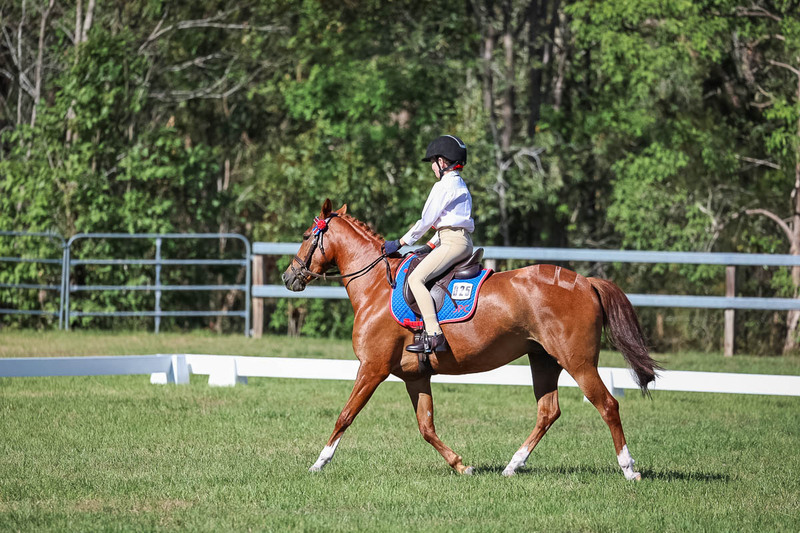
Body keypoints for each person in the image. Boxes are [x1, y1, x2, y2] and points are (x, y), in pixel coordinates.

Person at [384, 135, 474, 354]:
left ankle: (434, 334)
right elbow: (449, 222)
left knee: (415, 279)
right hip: (460, 241)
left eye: (433, 162)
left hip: (452, 243)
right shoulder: (460, 184)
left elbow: (426, 221)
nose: (433, 168)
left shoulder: (443, 186)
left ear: (442, 162)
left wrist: (400, 242)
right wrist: (431, 245)